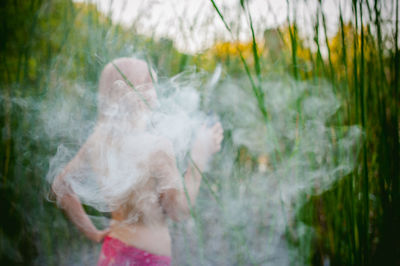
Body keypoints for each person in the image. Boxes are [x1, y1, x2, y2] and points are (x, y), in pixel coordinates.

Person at [51, 57, 223, 265]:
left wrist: (93, 233)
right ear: (128, 94)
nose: (155, 88)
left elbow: (61, 185)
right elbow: (179, 210)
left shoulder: (98, 141)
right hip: (146, 260)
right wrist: (199, 156)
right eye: (148, 82)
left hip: (111, 253)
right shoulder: (157, 147)